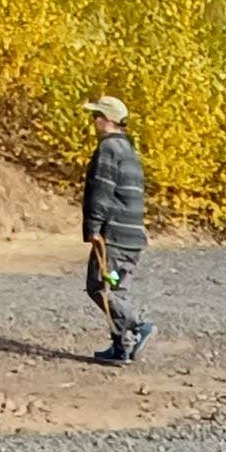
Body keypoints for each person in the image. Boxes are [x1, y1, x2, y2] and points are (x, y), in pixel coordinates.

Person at [80, 95, 155, 365]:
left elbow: (102, 191)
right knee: (116, 289)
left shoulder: (109, 149)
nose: (94, 122)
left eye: (96, 116)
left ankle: (137, 326)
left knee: (100, 287)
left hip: (114, 236)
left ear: (107, 120)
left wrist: (94, 227)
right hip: (132, 235)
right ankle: (122, 347)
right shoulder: (130, 151)